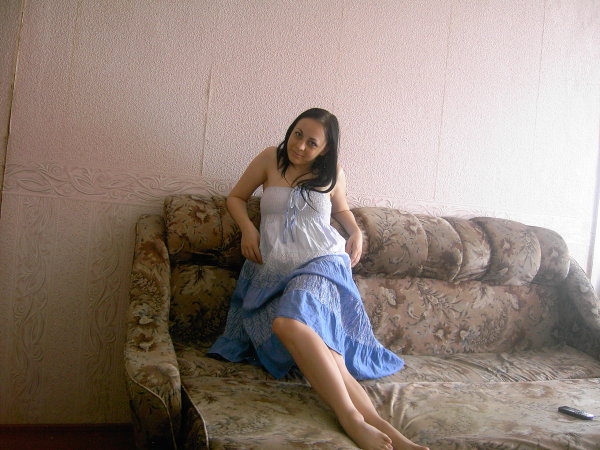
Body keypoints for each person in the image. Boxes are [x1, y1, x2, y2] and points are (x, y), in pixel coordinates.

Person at [208, 108, 428, 450]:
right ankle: (383, 428)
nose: (300, 146)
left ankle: (353, 420)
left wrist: (356, 232)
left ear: (325, 149)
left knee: (288, 323)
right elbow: (236, 197)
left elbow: (340, 209)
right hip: (275, 268)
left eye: (312, 142)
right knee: (324, 346)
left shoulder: (333, 172)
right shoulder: (269, 159)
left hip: (321, 261)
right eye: (298, 134)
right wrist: (248, 229)